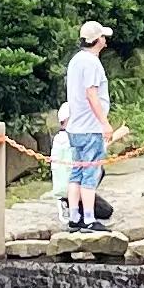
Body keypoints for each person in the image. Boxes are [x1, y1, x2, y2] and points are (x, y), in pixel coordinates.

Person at [57, 19, 117, 232]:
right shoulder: (92, 63)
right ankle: (89, 219)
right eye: (103, 37)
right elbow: (91, 94)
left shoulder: (76, 60)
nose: (105, 40)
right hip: (90, 127)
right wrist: (104, 123)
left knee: (76, 172)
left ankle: (75, 217)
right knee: (90, 173)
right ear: (97, 40)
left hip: (75, 127)